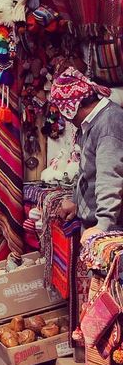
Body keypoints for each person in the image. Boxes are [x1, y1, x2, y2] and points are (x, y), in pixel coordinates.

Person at [50, 68, 123, 240]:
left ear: (75, 106)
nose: (67, 120)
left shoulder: (109, 122)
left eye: (66, 114)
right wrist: (76, 202)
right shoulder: (92, 123)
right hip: (96, 223)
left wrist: (103, 224)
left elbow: (110, 176)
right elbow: (87, 170)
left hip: (111, 228)